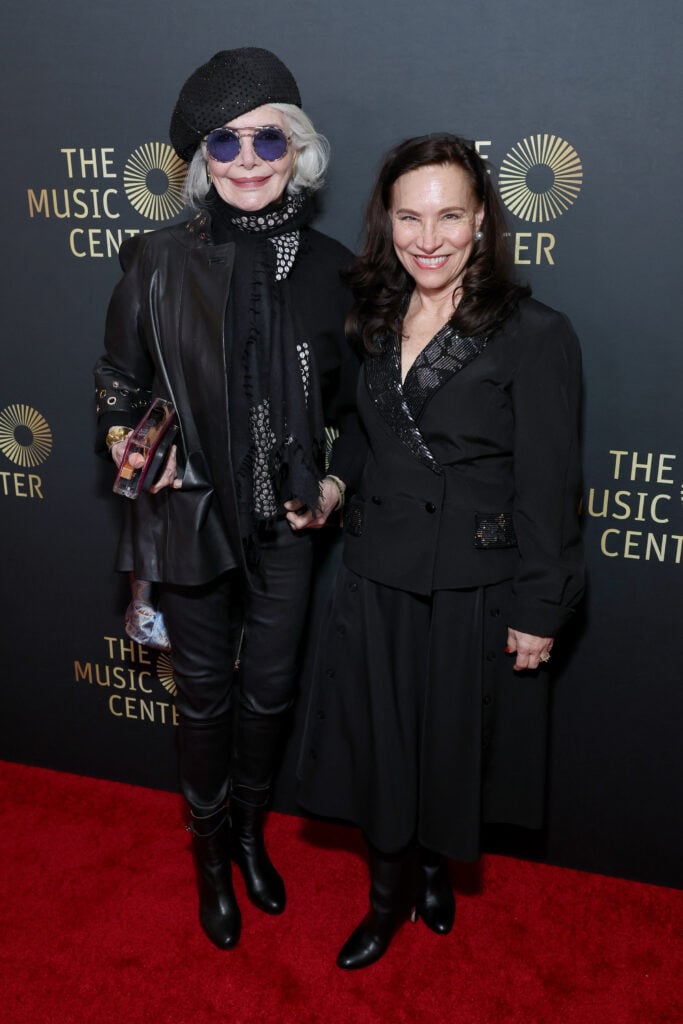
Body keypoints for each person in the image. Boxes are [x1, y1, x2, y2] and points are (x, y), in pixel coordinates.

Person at [291, 134, 585, 969]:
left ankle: (431, 871)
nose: (429, 237)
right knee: (381, 745)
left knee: (448, 749)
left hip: (474, 584)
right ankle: (385, 900)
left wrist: (540, 608)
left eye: (449, 215)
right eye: (409, 216)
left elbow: (549, 486)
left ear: (480, 218)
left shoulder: (534, 334)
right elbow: (358, 434)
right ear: (386, 221)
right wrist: (336, 488)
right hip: (377, 572)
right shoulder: (372, 319)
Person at [94, 48, 356, 950]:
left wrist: (329, 481)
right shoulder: (158, 258)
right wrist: (122, 442)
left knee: (270, 692)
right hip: (192, 513)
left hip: (288, 521)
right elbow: (117, 383)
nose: (247, 159)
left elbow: (359, 410)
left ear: (299, 151)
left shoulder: (335, 270)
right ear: (202, 159)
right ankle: (208, 852)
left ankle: (249, 832)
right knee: (203, 697)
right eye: (225, 141)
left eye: (267, 137)